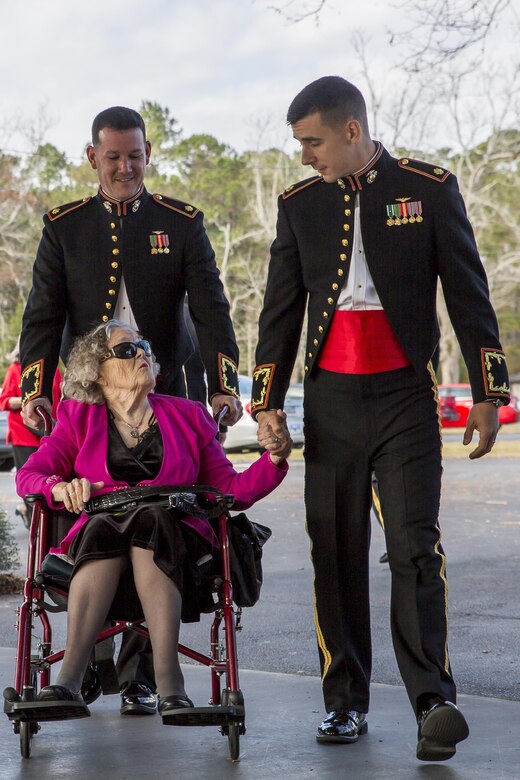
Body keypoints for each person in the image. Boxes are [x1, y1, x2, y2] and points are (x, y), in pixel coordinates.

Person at [251, 76, 511, 762]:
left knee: (415, 549)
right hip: (331, 399)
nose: (305, 155)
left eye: (312, 142)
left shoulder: (429, 186)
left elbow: (467, 289)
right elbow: (279, 310)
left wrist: (489, 391)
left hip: (404, 398)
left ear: (351, 131)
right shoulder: (299, 205)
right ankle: (344, 703)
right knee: (333, 555)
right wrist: (266, 402)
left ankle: (434, 702)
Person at [19, 105, 243, 717]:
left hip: (166, 391)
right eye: (113, 156)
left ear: (149, 154)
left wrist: (223, 386)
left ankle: (142, 676)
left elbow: (212, 310)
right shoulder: (64, 227)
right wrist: (36, 390)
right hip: (90, 394)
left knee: (159, 516)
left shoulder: (181, 222)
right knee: (89, 511)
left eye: (135, 156)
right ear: (93, 157)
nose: (125, 167)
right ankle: (87, 664)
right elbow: (42, 315)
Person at [12, 321, 291, 721]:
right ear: (98, 372)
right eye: (126, 350)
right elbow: (29, 476)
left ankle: (168, 681)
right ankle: (68, 681)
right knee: (106, 523)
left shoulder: (189, 415)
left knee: (152, 516)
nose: (141, 353)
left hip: (175, 543)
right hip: (101, 545)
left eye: (143, 346)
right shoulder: (78, 418)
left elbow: (231, 489)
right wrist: (59, 487)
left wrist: (276, 457)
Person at [0, 339, 62, 528]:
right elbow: (5, 401)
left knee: (52, 478)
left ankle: (39, 518)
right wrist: (29, 400)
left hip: (49, 434)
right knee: (30, 483)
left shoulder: (54, 371)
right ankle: (35, 522)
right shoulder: (15, 370)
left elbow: (59, 401)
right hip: (24, 435)